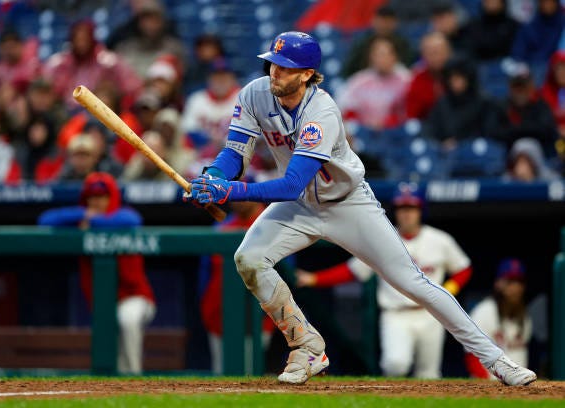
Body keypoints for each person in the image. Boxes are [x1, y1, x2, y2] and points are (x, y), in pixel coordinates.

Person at [184, 31, 537, 386]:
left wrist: (229, 190)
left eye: (285, 68)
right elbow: (234, 154)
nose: (275, 72)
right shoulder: (254, 94)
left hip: (348, 203)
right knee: (248, 258)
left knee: (413, 283)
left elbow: (291, 185)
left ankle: (498, 361)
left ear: (306, 74)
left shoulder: (321, 111)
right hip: (303, 206)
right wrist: (213, 177)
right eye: (273, 64)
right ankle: (306, 345)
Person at [296, 184, 473, 379]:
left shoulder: (440, 240)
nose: (406, 214)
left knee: (429, 373)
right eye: (402, 209)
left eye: (411, 209)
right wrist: (315, 279)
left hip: (430, 313)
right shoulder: (383, 238)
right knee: (395, 365)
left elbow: (463, 268)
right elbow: (354, 271)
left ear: (421, 211)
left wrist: (448, 289)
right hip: (395, 313)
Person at [38, 172, 156, 374]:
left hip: (136, 297)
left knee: (127, 319)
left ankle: (134, 378)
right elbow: (45, 220)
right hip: (103, 301)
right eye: (92, 196)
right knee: (110, 336)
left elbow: (134, 220)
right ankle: (116, 384)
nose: (97, 201)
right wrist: (83, 215)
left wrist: (93, 222)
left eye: (102, 196)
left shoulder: (122, 218)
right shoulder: (81, 220)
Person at [198, 196, 270, 374]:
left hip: (260, 313)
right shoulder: (222, 228)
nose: (240, 201)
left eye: (245, 195)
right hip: (219, 312)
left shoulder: (272, 224)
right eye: (235, 196)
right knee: (221, 371)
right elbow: (205, 275)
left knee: (250, 370)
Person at [42, 19, 142, 112]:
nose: (81, 44)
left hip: (102, 111)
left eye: (84, 40)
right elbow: (45, 83)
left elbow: (132, 87)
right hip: (68, 112)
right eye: (78, 40)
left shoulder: (108, 61)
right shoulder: (61, 63)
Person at [465, 259, 532, 380]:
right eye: (510, 281)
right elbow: (472, 355)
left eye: (519, 282)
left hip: (519, 386)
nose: (516, 287)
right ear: (498, 283)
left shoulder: (524, 317)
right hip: (488, 387)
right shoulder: (484, 311)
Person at [422, 56, 503, 149]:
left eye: (458, 77)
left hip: (476, 152)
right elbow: (430, 130)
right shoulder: (442, 103)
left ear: (468, 78)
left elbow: (489, 133)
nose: (454, 82)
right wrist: (441, 143)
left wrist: (459, 142)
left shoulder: (484, 102)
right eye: (451, 78)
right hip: (446, 155)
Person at [337, 36, 410, 130]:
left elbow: (408, 113)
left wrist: (389, 121)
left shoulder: (406, 80)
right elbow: (343, 107)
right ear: (371, 57)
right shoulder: (359, 80)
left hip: (395, 132)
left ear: (395, 57)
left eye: (385, 54)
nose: (382, 59)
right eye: (377, 55)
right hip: (363, 132)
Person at [181, 58, 241, 160]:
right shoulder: (197, 100)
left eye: (224, 77)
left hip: (236, 155)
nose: (221, 81)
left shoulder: (244, 98)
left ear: (233, 79)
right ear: (209, 79)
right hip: (202, 154)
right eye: (216, 77)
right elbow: (189, 132)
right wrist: (210, 141)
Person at [340, 5, 413, 78]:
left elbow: (409, 68)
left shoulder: (402, 44)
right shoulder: (363, 43)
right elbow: (349, 70)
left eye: (387, 22)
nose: (383, 26)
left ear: (394, 23)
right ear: (373, 21)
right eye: (380, 21)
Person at [405, 32, 452, 120]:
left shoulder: (459, 75)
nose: (436, 57)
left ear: (448, 52)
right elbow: (412, 116)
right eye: (431, 53)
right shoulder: (417, 79)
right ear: (423, 55)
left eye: (439, 51)